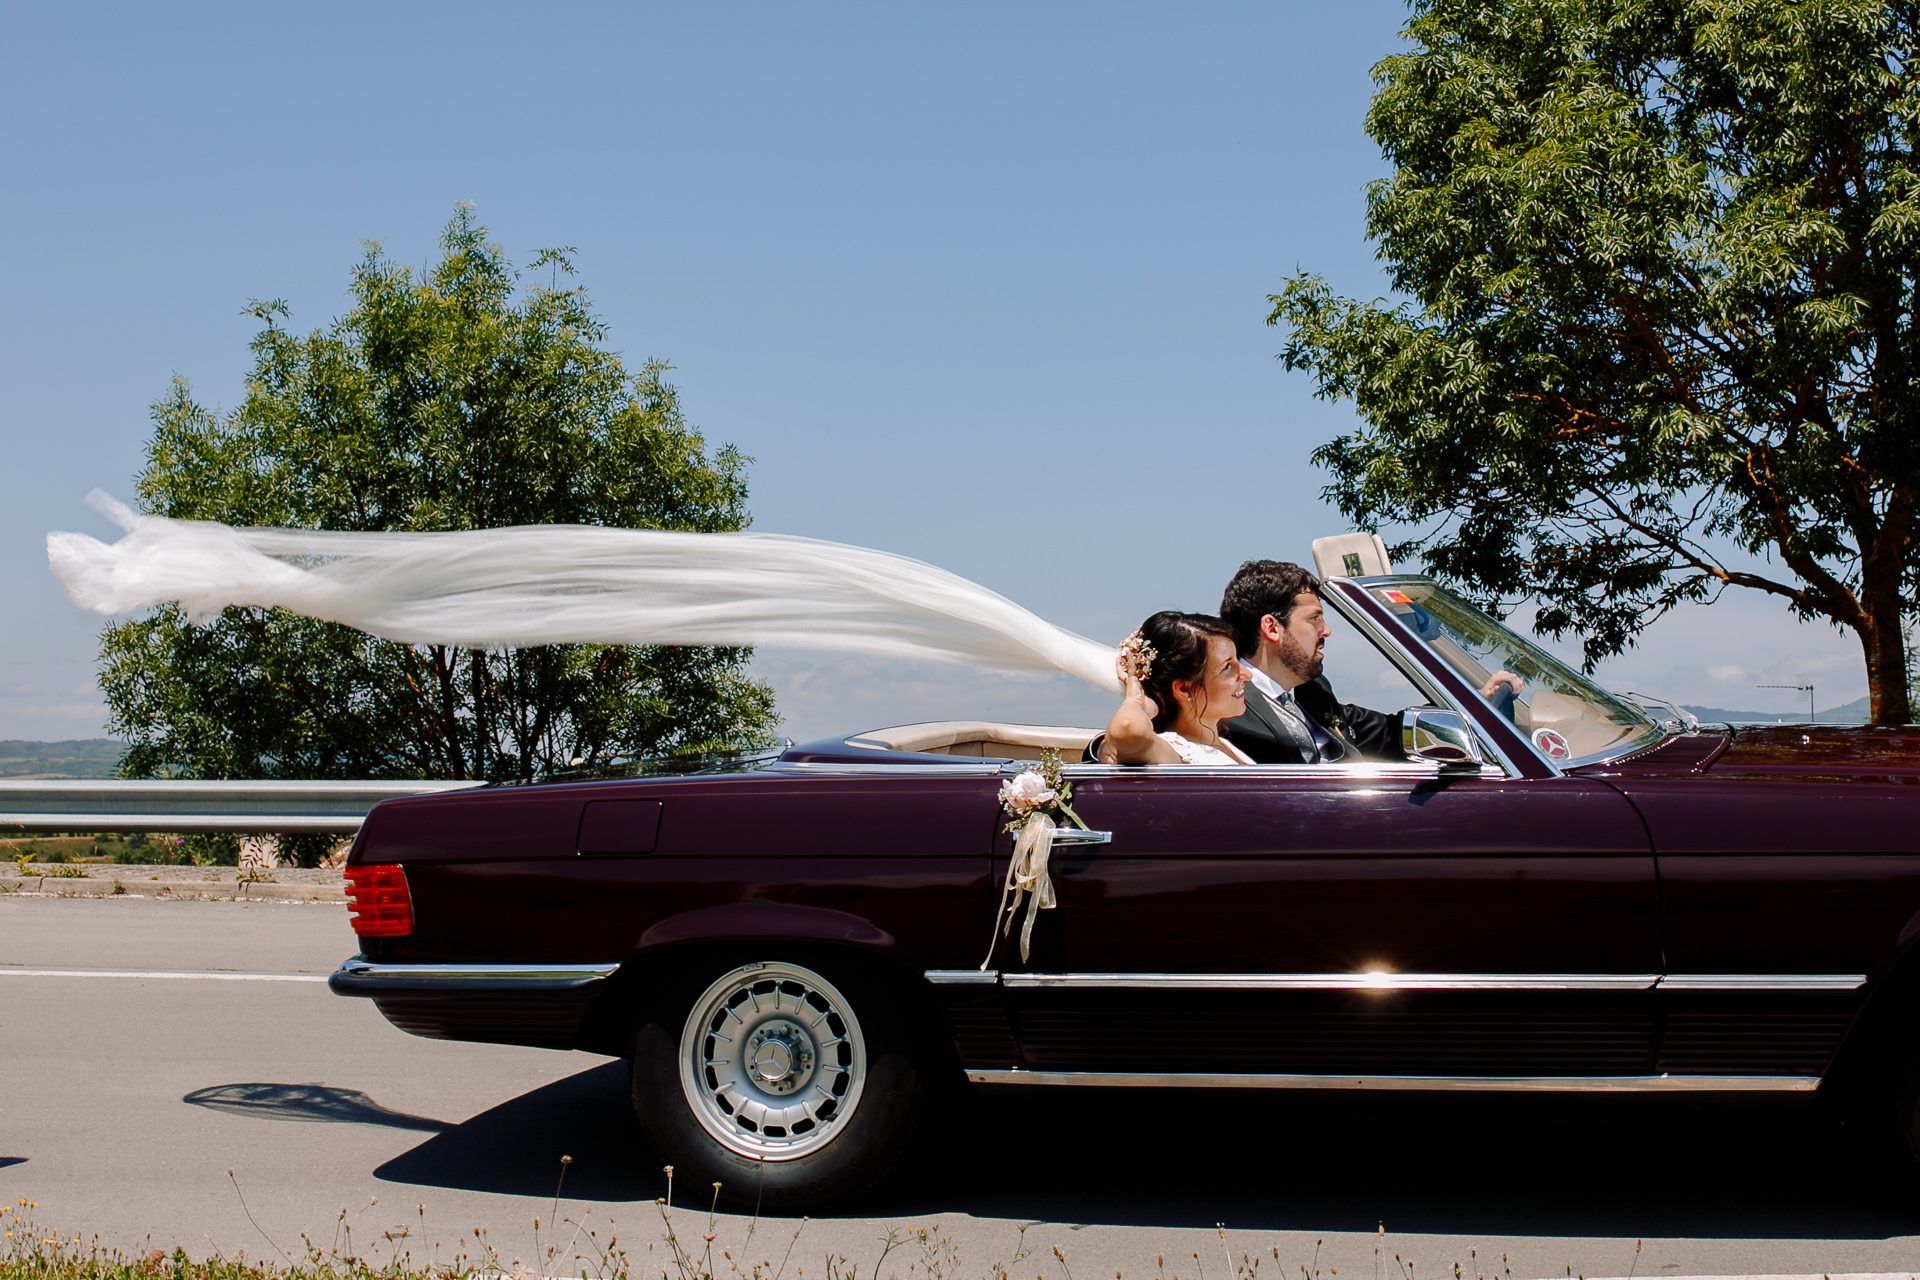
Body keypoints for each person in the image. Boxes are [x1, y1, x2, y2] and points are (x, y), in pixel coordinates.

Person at [1217, 560, 1521, 763]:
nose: (1326, 631)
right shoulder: (1225, 711)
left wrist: (1473, 703)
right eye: (1314, 619)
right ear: (1272, 628)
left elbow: (1388, 733)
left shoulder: (1313, 692)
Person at [1098, 611, 1252, 765]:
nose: (1247, 674)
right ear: (1184, 689)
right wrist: (1137, 700)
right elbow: (1127, 726)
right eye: (1227, 667)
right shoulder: (1174, 753)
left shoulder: (1224, 744)